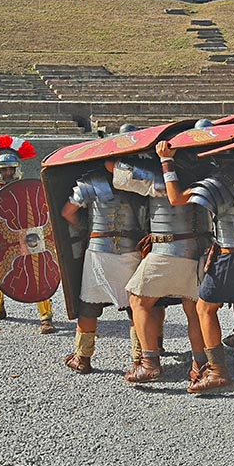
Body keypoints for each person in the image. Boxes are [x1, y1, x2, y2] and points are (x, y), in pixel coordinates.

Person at [156, 140, 234, 397]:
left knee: (205, 309)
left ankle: (217, 371)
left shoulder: (217, 182)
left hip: (229, 257)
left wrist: (166, 162)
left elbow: (176, 198)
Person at [114, 152, 211, 385]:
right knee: (193, 309)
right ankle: (200, 364)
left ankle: (149, 364)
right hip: (200, 248)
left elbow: (118, 172)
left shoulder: (157, 175)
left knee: (138, 299)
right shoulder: (205, 172)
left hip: (168, 250)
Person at [59, 151, 148, 374]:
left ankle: (82, 358)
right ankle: (140, 360)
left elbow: (67, 212)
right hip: (131, 251)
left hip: (99, 251)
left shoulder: (93, 181)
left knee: (89, 307)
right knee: (135, 308)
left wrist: (85, 227)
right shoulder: (139, 179)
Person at [0, 135, 56, 334]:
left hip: (30, 237)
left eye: (11, 169)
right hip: (1, 239)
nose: (8, 173)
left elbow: (43, 207)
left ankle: (46, 318)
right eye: (4, 170)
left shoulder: (26, 189)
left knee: (38, 275)